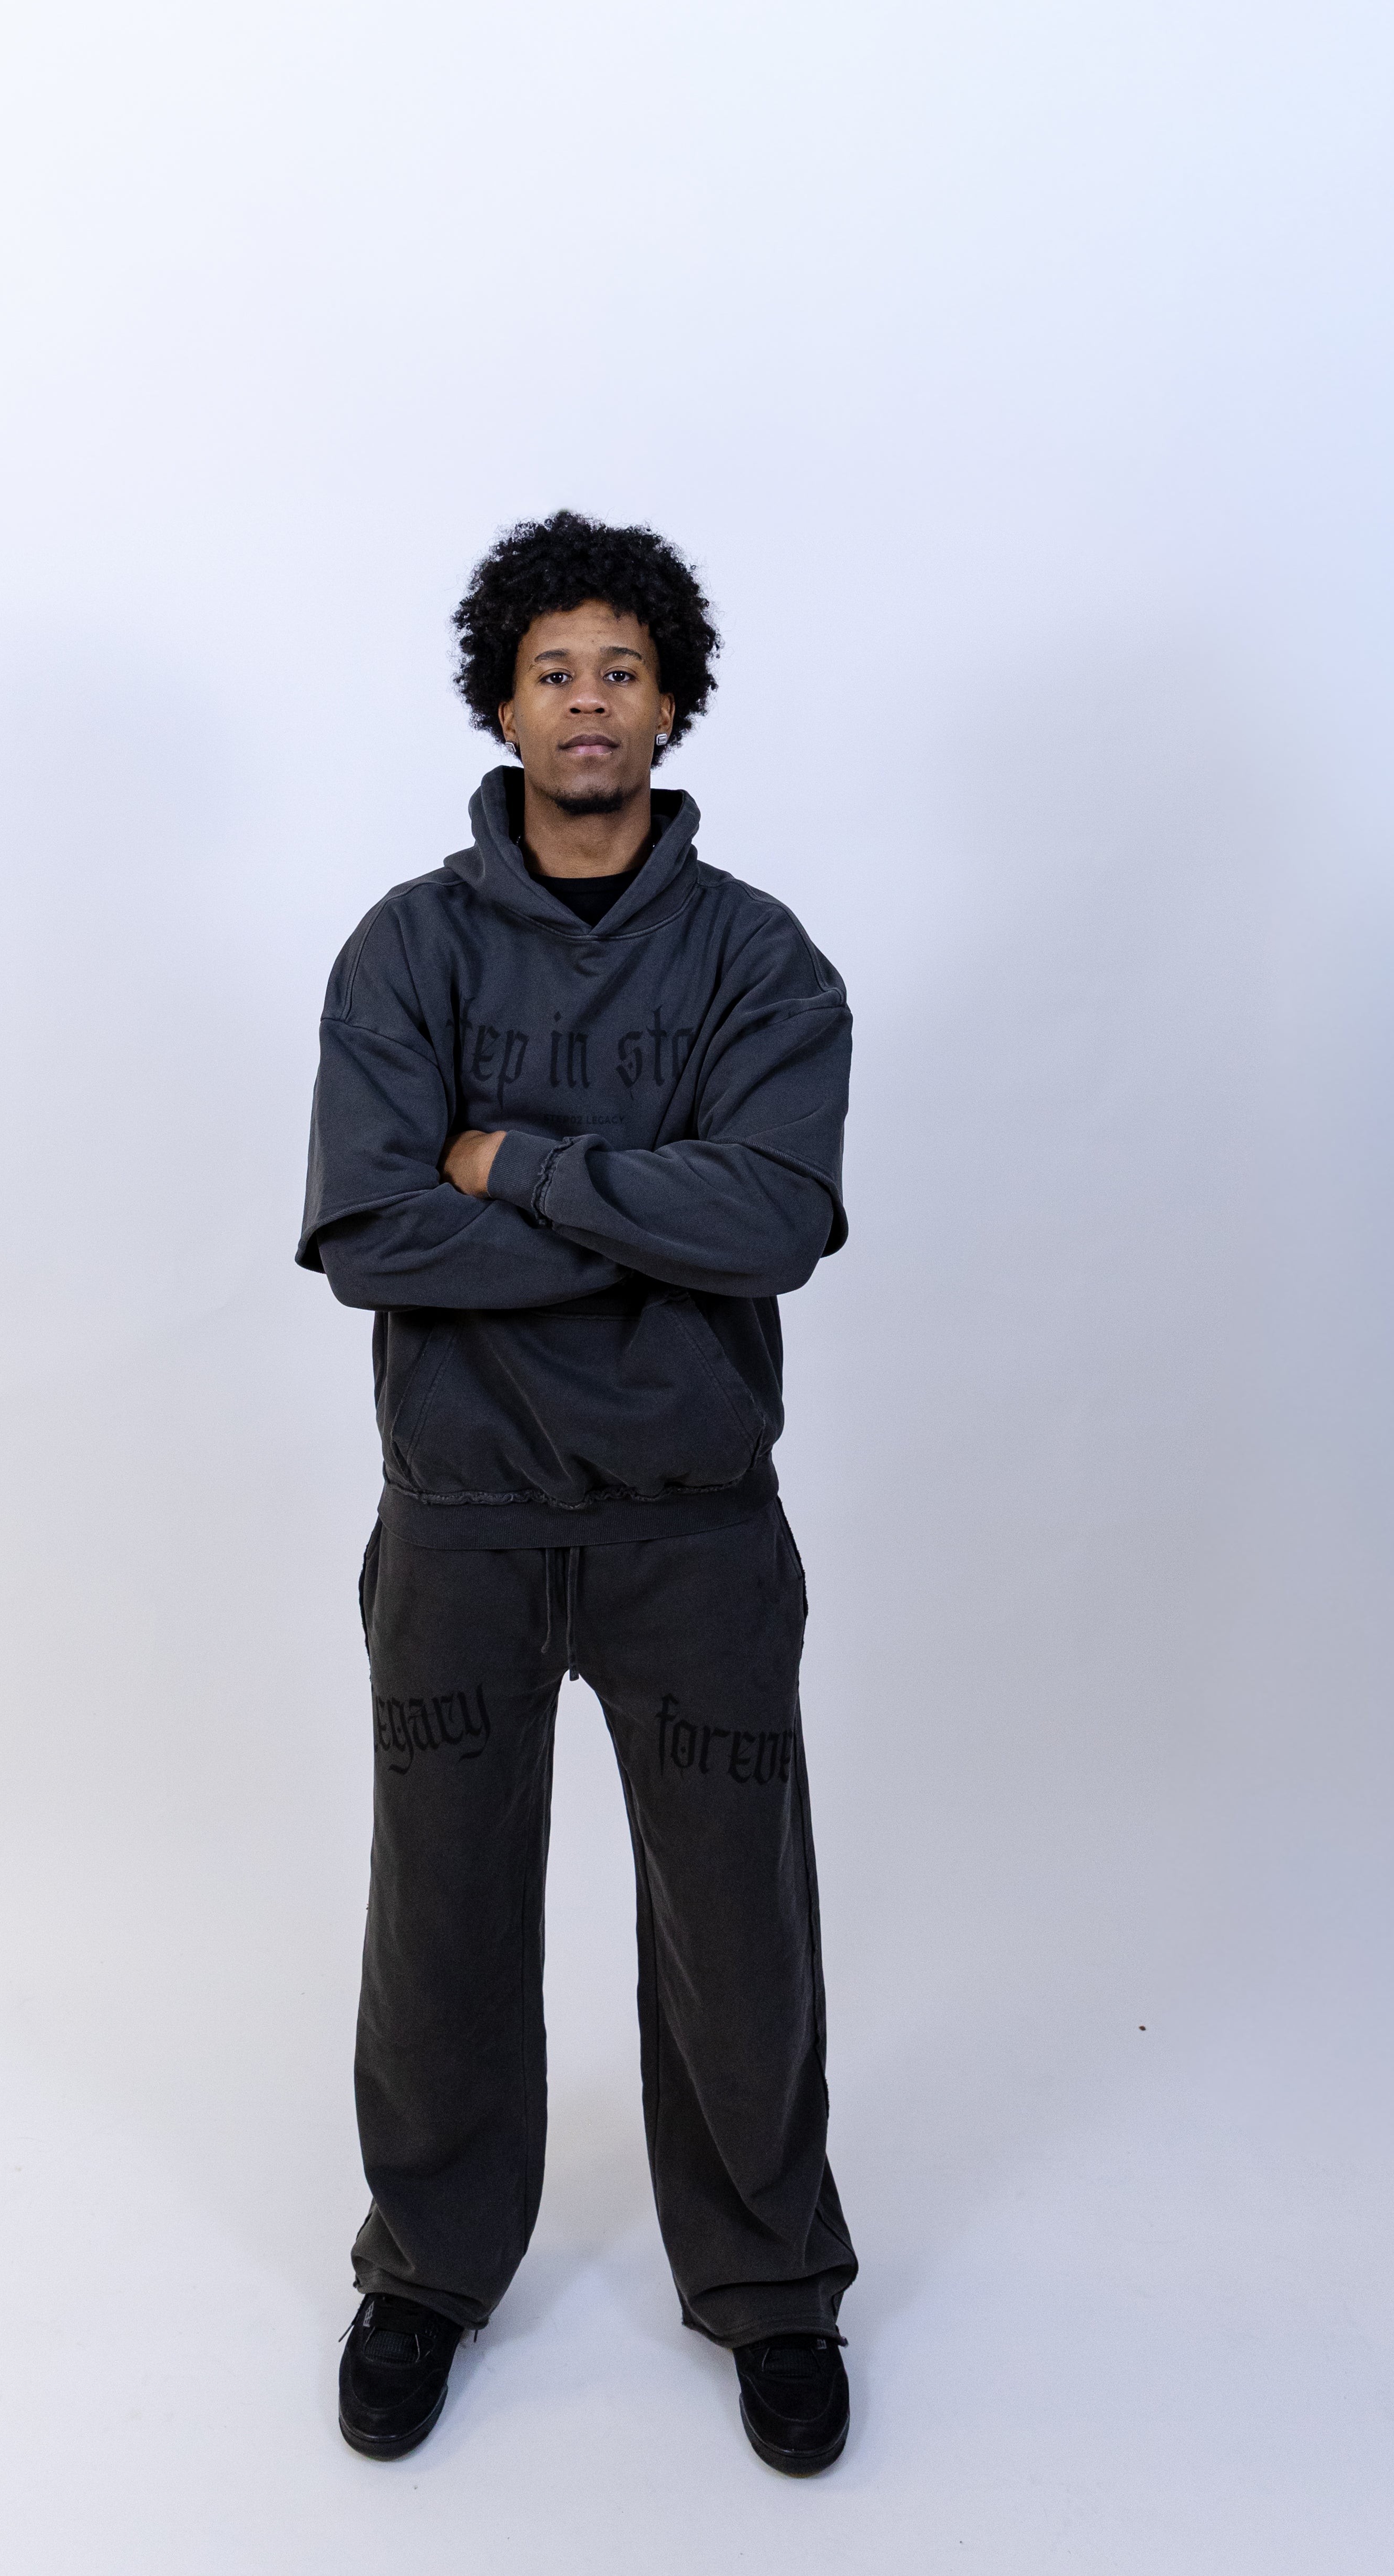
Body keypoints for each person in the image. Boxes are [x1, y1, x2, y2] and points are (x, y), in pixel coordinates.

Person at [298, 510, 856, 2474]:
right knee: (438, 1923)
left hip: (694, 1522)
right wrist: (647, 1220)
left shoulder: (759, 957)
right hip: (460, 1518)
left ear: (672, 704)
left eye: (621, 669)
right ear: (504, 707)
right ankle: (425, 2276)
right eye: (554, 672)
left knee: (737, 1931)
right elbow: (369, 1233)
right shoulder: (408, 948)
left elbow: (776, 1223)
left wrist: (515, 1164)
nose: (588, 701)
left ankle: (770, 2288)